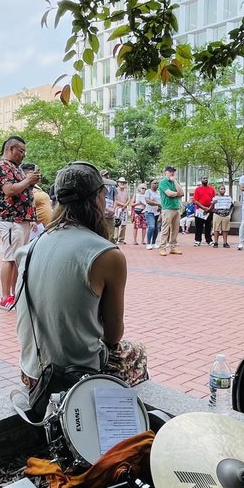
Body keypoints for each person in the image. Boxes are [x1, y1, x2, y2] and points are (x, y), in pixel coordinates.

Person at [14, 161, 149, 393]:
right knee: (137, 352)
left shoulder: (30, 248)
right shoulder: (107, 254)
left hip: (32, 373)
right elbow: (113, 335)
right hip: (75, 379)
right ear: (97, 197)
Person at [0, 136, 39, 309]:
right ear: (12, 149)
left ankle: (15, 293)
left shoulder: (16, 168)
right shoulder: (2, 166)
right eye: (21, 151)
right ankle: (6, 296)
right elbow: (9, 190)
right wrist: (27, 180)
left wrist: (29, 182)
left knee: (17, 258)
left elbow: (22, 190)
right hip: (11, 219)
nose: (23, 155)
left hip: (21, 219)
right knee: (10, 258)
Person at [156, 165, 184, 256]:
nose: (172, 173)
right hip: (167, 208)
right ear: (166, 172)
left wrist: (175, 181)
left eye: (173, 171)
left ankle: (173, 247)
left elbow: (182, 193)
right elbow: (169, 193)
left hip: (176, 208)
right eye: (170, 171)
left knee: (175, 229)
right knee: (165, 229)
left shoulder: (174, 182)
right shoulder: (163, 182)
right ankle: (162, 248)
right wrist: (177, 193)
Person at [191, 175, 215, 246]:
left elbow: (214, 199)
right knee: (199, 226)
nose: (205, 180)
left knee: (208, 226)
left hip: (209, 210)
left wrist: (209, 208)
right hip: (199, 210)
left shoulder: (211, 189)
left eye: (206, 178)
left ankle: (209, 240)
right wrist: (203, 208)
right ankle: (198, 240)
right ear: (201, 180)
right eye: (204, 178)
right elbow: (195, 200)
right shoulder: (198, 189)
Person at [211, 183, 234, 248]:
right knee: (216, 228)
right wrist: (213, 203)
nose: (223, 190)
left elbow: (232, 206)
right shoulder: (215, 198)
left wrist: (230, 213)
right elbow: (212, 206)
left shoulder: (228, 198)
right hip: (217, 214)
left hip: (226, 214)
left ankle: (225, 242)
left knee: (225, 229)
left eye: (224, 189)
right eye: (221, 189)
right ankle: (216, 242)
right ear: (218, 190)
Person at [142, 179, 161, 249]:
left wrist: (159, 206)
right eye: (154, 183)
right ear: (151, 184)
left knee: (156, 228)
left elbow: (161, 202)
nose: (156, 184)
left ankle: (154, 242)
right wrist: (157, 203)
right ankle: (148, 243)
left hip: (157, 212)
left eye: (157, 183)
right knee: (151, 226)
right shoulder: (148, 191)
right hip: (149, 212)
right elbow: (148, 201)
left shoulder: (159, 192)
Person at [113, 177, 131, 244]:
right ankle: (115, 238)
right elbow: (115, 200)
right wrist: (123, 204)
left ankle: (121, 239)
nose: (122, 184)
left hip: (124, 209)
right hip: (117, 208)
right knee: (116, 224)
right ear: (118, 183)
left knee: (123, 225)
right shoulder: (115, 190)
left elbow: (129, 200)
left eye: (123, 182)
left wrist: (125, 205)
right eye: (121, 182)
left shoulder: (126, 191)